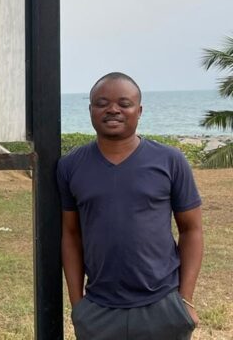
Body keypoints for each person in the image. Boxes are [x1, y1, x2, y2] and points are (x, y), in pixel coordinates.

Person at [58, 72, 203, 339]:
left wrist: (185, 300)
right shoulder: (70, 165)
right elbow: (71, 234)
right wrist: (78, 305)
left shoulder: (170, 160)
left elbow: (191, 230)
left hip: (162, 306)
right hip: (98, 310)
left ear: (139, 110)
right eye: (102, 103)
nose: (113, 109)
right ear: (91, 110)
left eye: (124, 103)